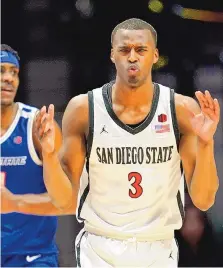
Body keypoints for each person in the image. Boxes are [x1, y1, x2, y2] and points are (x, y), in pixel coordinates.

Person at [35, 18, 220, 267]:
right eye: (124, 49)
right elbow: (65, 201)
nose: (132, 57)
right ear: (112, 55)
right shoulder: (83, 110)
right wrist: (48, 156)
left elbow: (203, 199)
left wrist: (207, 142)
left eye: (141, 49)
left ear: (154, 55)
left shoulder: (181, 109)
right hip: (101, 248)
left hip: (158, 245)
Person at [0, 44, 75, 267]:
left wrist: (50, 156)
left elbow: (67, 202)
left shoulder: (36, 126)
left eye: (14, 72)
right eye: (1, 70)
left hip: (32, 258)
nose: (8, 78)